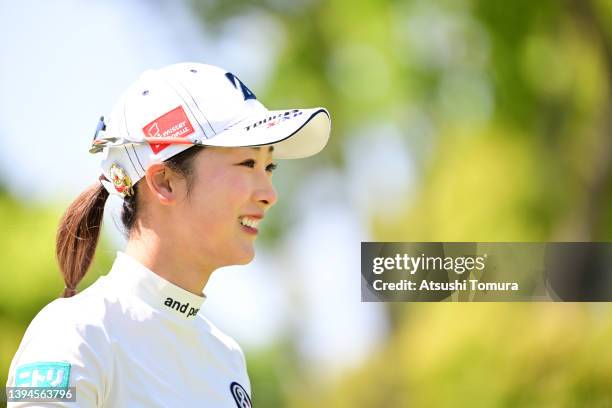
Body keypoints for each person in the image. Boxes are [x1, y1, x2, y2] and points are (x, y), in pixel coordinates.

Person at [5, 62, 331, 407]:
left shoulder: (226, 357)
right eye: (248, 164)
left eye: (269, 167)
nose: (269, 193)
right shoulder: (75, 334)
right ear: (164, 181)